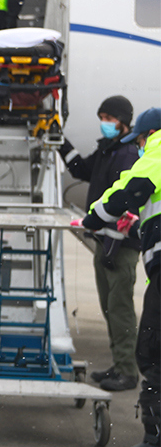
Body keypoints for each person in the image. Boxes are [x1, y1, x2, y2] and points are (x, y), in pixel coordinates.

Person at [75, 107, 161, 447]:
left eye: (139, 141)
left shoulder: (157, 151)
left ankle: (155, 446)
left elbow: (127, 191)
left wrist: (92, 218)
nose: (139, 147)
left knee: (154, 351)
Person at [58, 95, 141, 391]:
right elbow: (81, 170)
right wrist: (60, 141)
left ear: (122, 121)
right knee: (109, 307)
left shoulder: (127, 154)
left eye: (109, 118)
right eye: (102, 117)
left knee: (119, 308)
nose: (104, 123)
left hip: (118, 248)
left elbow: (127, 206)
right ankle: (119, 364)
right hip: (105, 244)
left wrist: (114, 246)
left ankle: (128, 372)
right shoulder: (109, 150)